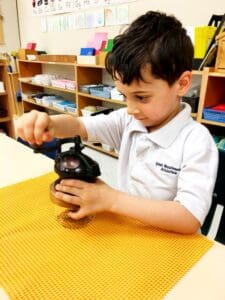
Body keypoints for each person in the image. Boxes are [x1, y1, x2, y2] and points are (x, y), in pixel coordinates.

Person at [16, 10, 218, 234]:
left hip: (175, 247)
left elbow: (188, 218)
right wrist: (50, 124)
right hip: (130, 232)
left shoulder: (196, 141)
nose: (130, 108)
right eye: (124, 95)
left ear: (182, 84)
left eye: (141, 97)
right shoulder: (129, 121)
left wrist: (111, 200)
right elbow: (79, 126)